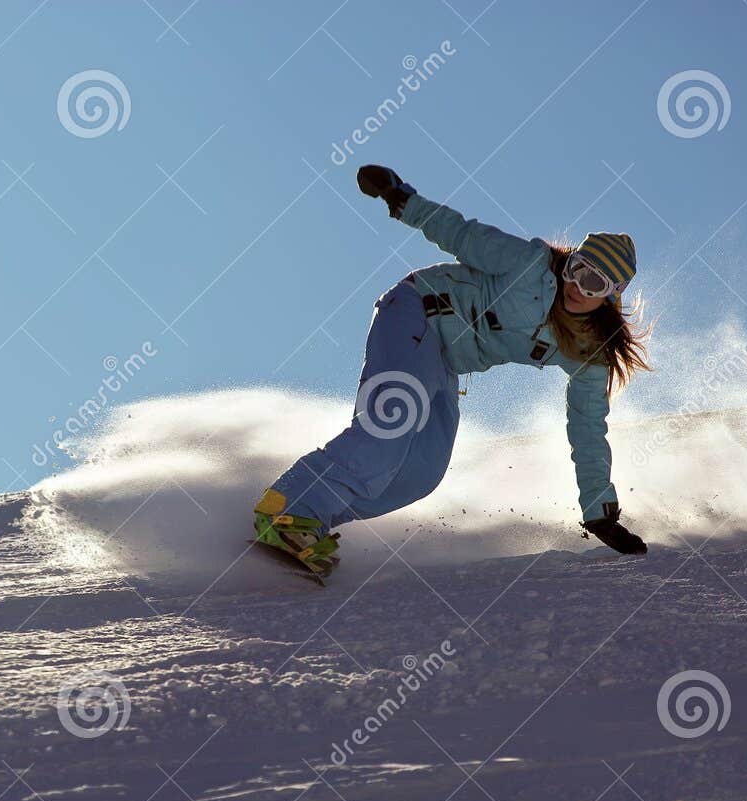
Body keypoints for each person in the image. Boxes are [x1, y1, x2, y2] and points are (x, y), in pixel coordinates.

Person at [254, 164, 651, 577]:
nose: (576, 286)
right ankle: (290, 508)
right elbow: (458, 232)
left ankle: (308, 523)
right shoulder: (529, 263)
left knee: (422, 472)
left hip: (443, 360)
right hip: (416, 311)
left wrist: (599, 510)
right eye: (576, 268)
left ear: (610, 297)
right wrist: (400, 198)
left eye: (593, 284)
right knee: (394, 418)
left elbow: (588, 427)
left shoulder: (591, 351)